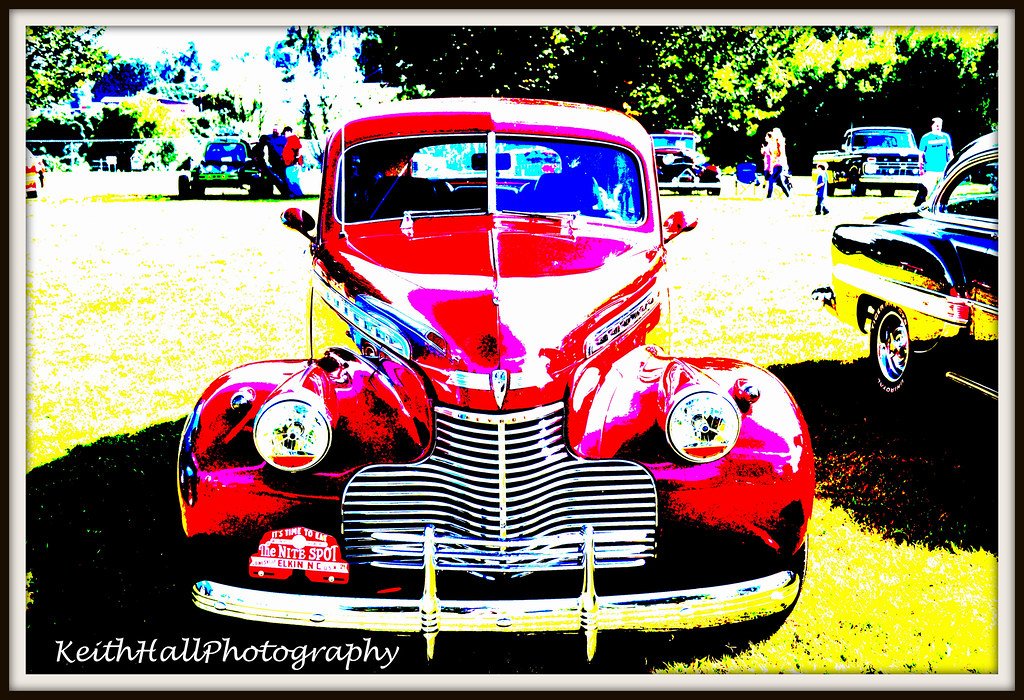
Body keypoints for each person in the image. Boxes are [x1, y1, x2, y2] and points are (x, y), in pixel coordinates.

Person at [917, 117, 953, 204]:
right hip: (930, 170)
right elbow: (921, 155)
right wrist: (921, 168)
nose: (938, 127)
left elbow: (950, 153)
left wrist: (951, 165)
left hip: (943, 169)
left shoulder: (946, 137)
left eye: (940, 125)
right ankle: (929, 206)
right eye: (936, 125)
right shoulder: (925, 138)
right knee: (930, 191)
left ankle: (940, 206)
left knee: (942, 190)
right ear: (932, 126)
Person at [766, 127, 790, 199]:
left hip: (779, 164)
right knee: (780, 182)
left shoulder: (779, 143)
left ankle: (769, 196)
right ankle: (788, 195)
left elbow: (778, 153)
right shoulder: (775, 143)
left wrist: (773, 155)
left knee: (771, 180)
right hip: (776, 164)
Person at [281, 126, 304, 198]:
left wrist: (297, 159)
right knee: (289, 179)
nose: (285, 135)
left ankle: (298, 194)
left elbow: (298, 149)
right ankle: (294, 193)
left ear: (288, 132)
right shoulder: (287, 140)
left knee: (293, 179)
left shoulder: (293, 139)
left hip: (293, 163)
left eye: (285, 133)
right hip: (288, 163)